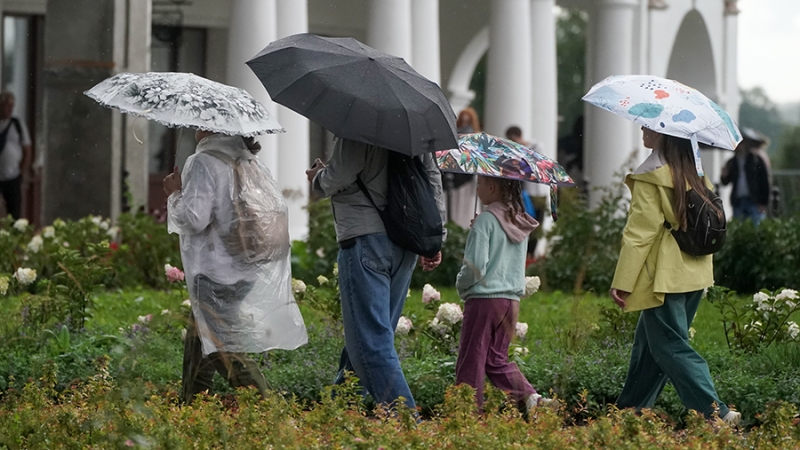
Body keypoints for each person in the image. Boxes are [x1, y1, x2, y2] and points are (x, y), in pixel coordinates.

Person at [165, 130, 308, 404]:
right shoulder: (249, 160)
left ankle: (269, 407)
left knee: (221, 349)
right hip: (244, 270)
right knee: (200, 341)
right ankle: (190, 407)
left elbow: (194, 219)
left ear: (212, 126)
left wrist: (174, 195)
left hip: (213, 271)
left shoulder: (203, 161)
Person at [610, 126, 740, 425]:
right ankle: (629, 412)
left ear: (665, 134)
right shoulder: (694, 173)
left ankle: (715, 412)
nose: (642, 128)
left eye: (651, 125)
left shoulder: (651, 177)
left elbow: (640, 234)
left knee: (670, 346)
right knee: (649, 346)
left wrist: (623, 281)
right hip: (694, 273)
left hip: (664, 277)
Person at [306, 136, 447, 410]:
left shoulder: (360, 127)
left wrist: (317, 178)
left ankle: (408, 426)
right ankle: (336, 418)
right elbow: (433, 181)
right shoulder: (414, 128)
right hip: (406, 242)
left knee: (370, 344)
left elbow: (342, 173)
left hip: (365, 239)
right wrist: (435, 238)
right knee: (369, 339)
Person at [454, 175, 554, 412]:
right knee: (496, 361)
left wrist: (461, 284)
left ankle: (465, 415)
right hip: (511, 302)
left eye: (479, 184)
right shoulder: (517, 220)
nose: (477, 189)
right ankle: (533, 399)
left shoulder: (486, 221)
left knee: (471, 360)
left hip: (484, 301)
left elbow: (475, 266)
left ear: (491, 187)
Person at [720, 130, 770, 225]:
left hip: (754, 200)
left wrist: (763, 203)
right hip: (738, 200)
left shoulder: (756, 160)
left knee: (756, 226)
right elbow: (725, 181)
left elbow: (764, 181)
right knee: (739, 226)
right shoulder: (732, 162)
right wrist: (724, 175)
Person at [446, 107, 482, 228]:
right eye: (463, 120)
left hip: (469, 177)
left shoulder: (476, 138)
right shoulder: (454, 135)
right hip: (456, 174)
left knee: (468, 205)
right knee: (455, 204)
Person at [0, 92, 32, 219]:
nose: (9, 109)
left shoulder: (17, 125)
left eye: (11, 106)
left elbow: (27, 150)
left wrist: (21, 170)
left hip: (12, 176)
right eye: (6, 106)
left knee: (14, 212)